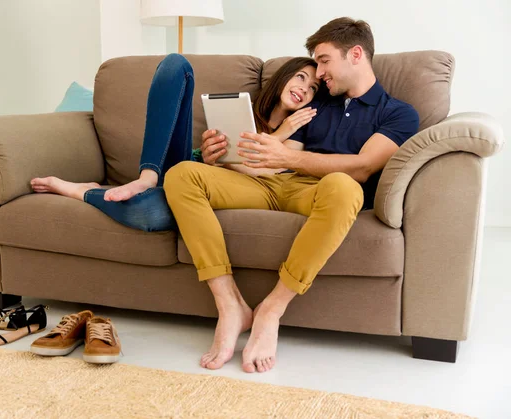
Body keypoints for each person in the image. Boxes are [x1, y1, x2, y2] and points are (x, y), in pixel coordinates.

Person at [162, 17, 420, 373]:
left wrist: (287, 157)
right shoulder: (318, 105)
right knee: (183, 174)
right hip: (275, 184)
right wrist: (223, 160)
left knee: (346, 186)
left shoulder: (398, 113)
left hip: (319, 192)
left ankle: (271, 309)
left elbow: (362, 168)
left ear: (356, 54)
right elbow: (273, 163)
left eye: (325, 60)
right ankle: (230, 305)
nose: (320, 71)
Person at [30, 54, 323, 232]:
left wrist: (280, 134)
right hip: (185, 163)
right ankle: (147, 176)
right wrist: (211, 154)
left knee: (149, 213)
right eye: (300, 77)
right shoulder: (243, 109)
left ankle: (85, 191)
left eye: (312, 88)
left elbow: (267, 175)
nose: (304, 89)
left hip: (200, 187)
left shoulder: (299, 132)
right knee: (175, 64)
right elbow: (216, 155)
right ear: (283, 77)